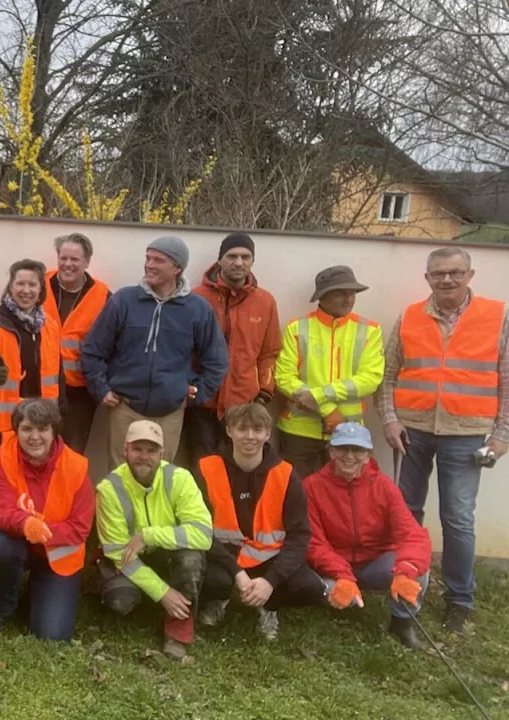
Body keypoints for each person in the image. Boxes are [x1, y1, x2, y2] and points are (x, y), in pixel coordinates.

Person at [377, 247, 505, 634]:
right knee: (406, 514)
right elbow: (388, 375)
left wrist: (501, 436)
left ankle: (459, 599)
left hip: (466, 436)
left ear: (470, 274)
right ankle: (406, 588)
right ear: (427, 277)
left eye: (455, 272)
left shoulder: (498, 317)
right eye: (438, 274)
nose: (446, 280)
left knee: (458, 518)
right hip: (411, 431)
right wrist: (389, 420)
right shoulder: (411, 317)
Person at [82, 236, 228, 467]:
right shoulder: (124, 300)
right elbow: (92, 350)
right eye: (148, 258)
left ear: (177, 268)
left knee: (160, 477)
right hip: (125, 408)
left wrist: (193, 394)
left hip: (170, 412)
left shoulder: (197, 309)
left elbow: (217, 360)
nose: (149, 265)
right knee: (122, 476)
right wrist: (101, 388)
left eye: (158, 260)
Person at [196, 403, 323, 641]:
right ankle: (218, 599)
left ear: (268, 433)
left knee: (310, 588)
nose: (250, 436)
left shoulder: (286, 474)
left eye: (257, 429)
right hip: (223, 556)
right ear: (229, 431)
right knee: (212, 580)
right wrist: (237, 573)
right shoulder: (206, 468)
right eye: (242, 429)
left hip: (268, 557)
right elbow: (199, 529)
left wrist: (270, 580)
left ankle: (269, 605)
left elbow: (300, 535)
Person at [304, 423, 432, 649]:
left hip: (375, 564)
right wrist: (342, 574)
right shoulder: (311, 486)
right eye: (343, 448)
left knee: (417, 569)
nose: (349, 456)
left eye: (358, 450)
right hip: (333, 567)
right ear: (331, 451)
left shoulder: (385, 487)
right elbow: (313, 542)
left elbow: (413, 535)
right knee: (307, 583)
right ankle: (335, 605)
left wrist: (405, 571)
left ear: (368, 455)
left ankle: (401, 623)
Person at [95, 420, 211, 660]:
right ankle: (160, 604)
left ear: (162, 453)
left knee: (191, 560)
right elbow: (118, 553)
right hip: (129, 559)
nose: (143, 457)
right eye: (137, 449)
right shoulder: (109, 489)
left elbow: (203, 534)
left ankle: (178, 634)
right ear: (125, 450)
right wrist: (163, 593)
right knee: (121, 601)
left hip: (168, 555)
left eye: (151, 450)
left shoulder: (180, 478)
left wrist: (148, 536)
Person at [0, 399, 94, 641]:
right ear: (16, 431)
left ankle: (34, 593)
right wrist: (25, 524)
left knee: (52, 634)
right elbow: (1, 509)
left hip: (58, 555)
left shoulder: (76, 467)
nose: (35, 437)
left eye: (43, 429)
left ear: (54, 431)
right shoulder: (1, 457)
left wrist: (43, 530)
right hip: (15, 542)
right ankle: (2, 607)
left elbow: (80, 529)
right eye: (27, 429)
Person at [275, 265, 383, 478]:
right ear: (322, 297)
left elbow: (371, 379)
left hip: (348, 430)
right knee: (297, 498)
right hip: (298, 431)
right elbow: (283, 378)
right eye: (341, 293)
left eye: (352, 293)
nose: (348, 299)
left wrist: (321, 395)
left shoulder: (370, 329)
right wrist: (328, 410)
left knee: (342, 501)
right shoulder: (296, 327)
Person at [186, 233, 281, 462]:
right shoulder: (195, 298)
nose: (239, 262)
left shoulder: (265, 301)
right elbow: (182, 351)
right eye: (232, 256)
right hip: (201, 404)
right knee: (201, 470)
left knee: (240, 470)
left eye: (245, 257)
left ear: (252, 261)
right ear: (220, 260)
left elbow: (269, 353)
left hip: (244, 404)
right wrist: (189, 390)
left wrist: (263, 396)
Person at [0, 259, 61, 470]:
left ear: (41, 290)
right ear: (10, 286)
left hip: (36, 425)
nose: (26, 290)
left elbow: (56, 375)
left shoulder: (50, 327)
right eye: (20, 284)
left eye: (32, 285)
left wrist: (57, 417)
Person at [43, 233, 110, 455]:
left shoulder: (103, 296)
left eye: (75, 260)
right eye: (63, 258)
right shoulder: (38, 284)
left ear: (87, 262)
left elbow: (113, 343)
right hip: (40, 387)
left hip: (79, 394)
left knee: (71, 455)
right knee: (38, 451)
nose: (67, 265)